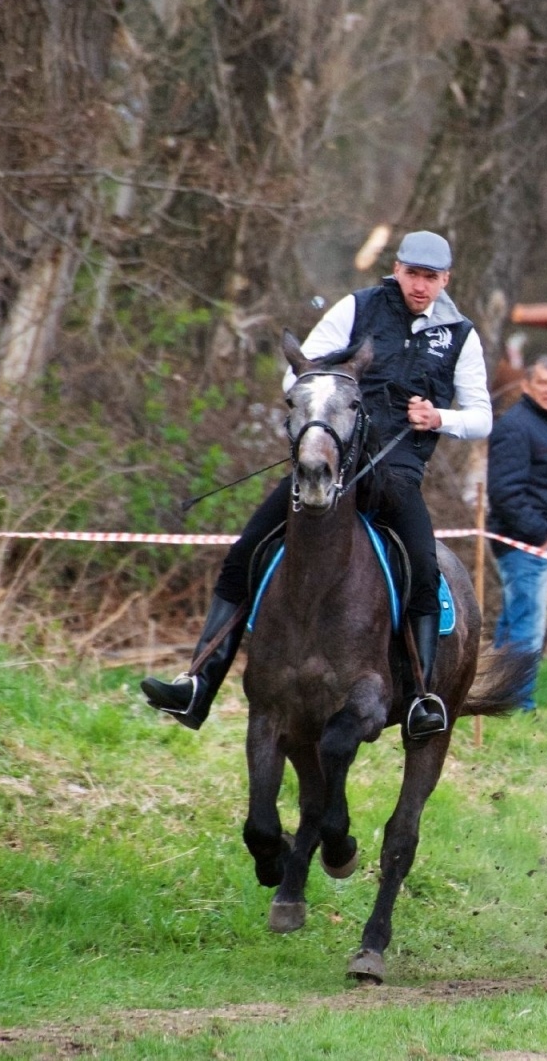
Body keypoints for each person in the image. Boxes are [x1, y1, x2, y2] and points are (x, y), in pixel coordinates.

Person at [141, 231, 492, 739]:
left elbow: (482, 417)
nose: (420, 286)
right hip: (330, 468)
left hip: (397, 477)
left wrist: (440, 417)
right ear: (396, 268)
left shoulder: (461, 335)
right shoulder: (356, 308)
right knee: (246, 551)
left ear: (446, 280)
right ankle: (198, 683)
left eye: (431, 278)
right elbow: (295, 376)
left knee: (423, 570)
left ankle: (421, 699)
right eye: (413, 274)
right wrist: (332, 393)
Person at [485, 355, 547, 712]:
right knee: (526, 628)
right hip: (522, 542)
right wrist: (539, 537)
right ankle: (520, 705)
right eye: (544, 383)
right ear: (527, 386)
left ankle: (494, 698)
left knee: (512, 621)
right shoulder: (517, 426)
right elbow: (505, 492)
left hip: (534, 541)